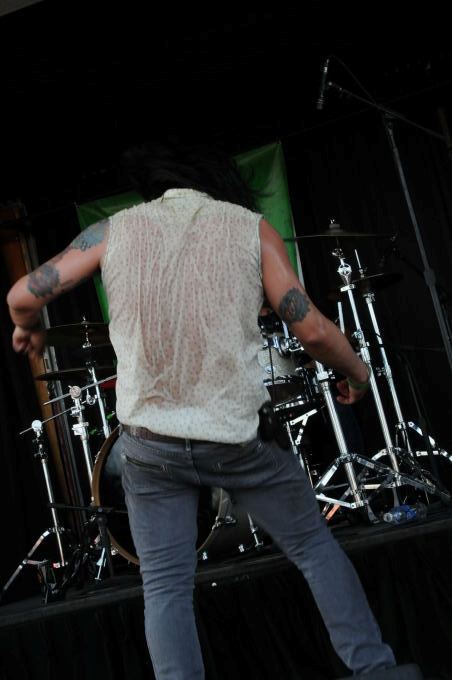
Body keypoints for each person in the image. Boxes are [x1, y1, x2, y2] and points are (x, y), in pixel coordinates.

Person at [7, 142, 421, 680]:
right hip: (236, 440)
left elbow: (22, 295)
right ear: (215, 177)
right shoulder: (250, 228)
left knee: (164, 585)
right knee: (314, 548)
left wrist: (29, 328)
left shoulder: (112, 231)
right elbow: (313, 330)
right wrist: (359, 373)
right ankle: (376, 672)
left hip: (149, 445)